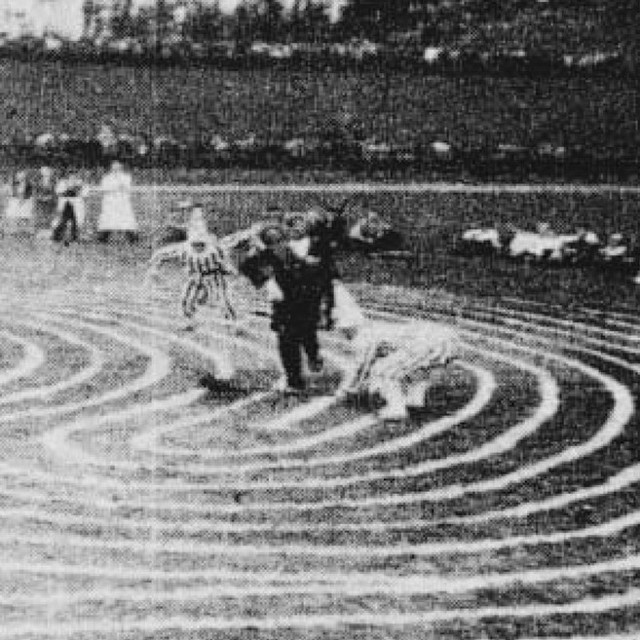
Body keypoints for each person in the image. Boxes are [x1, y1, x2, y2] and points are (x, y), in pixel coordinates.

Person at [333, 286, 459, 421]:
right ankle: (414, 401)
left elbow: (361, 367)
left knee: (383, 370)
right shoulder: (374, 329)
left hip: (432, 342)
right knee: (409, 371)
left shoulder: (362, 336)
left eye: (343, 329)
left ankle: (396, 408)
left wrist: (346, 390)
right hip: (445, 339)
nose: (343, 333)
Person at [96, 161, 138, 243]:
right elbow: (104, 188)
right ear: (111, 168)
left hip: (122, 202)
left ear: (121, 168)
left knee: (126, 220)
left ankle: (132, 237)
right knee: (108, 220)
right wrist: (115, 187)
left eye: (118, 167)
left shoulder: (126, 177)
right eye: (114, 167)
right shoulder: (106, 178)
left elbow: (127, 187)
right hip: (110, 202)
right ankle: (103, 237)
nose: (116, 169)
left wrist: (121, 186)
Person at [51, 172, 88, 246]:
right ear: (68, 177)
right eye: (71, 176)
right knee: (62, 221)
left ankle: (74, 238)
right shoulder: (63, 182)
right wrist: (67, 190)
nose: (72, 178)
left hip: (77, 204)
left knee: (76, 221)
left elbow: (85, 194)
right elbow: (58, 192)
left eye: (74, 176)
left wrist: (77, 191)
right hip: (66, 204)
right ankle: (57, 237)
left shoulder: (81, 183)